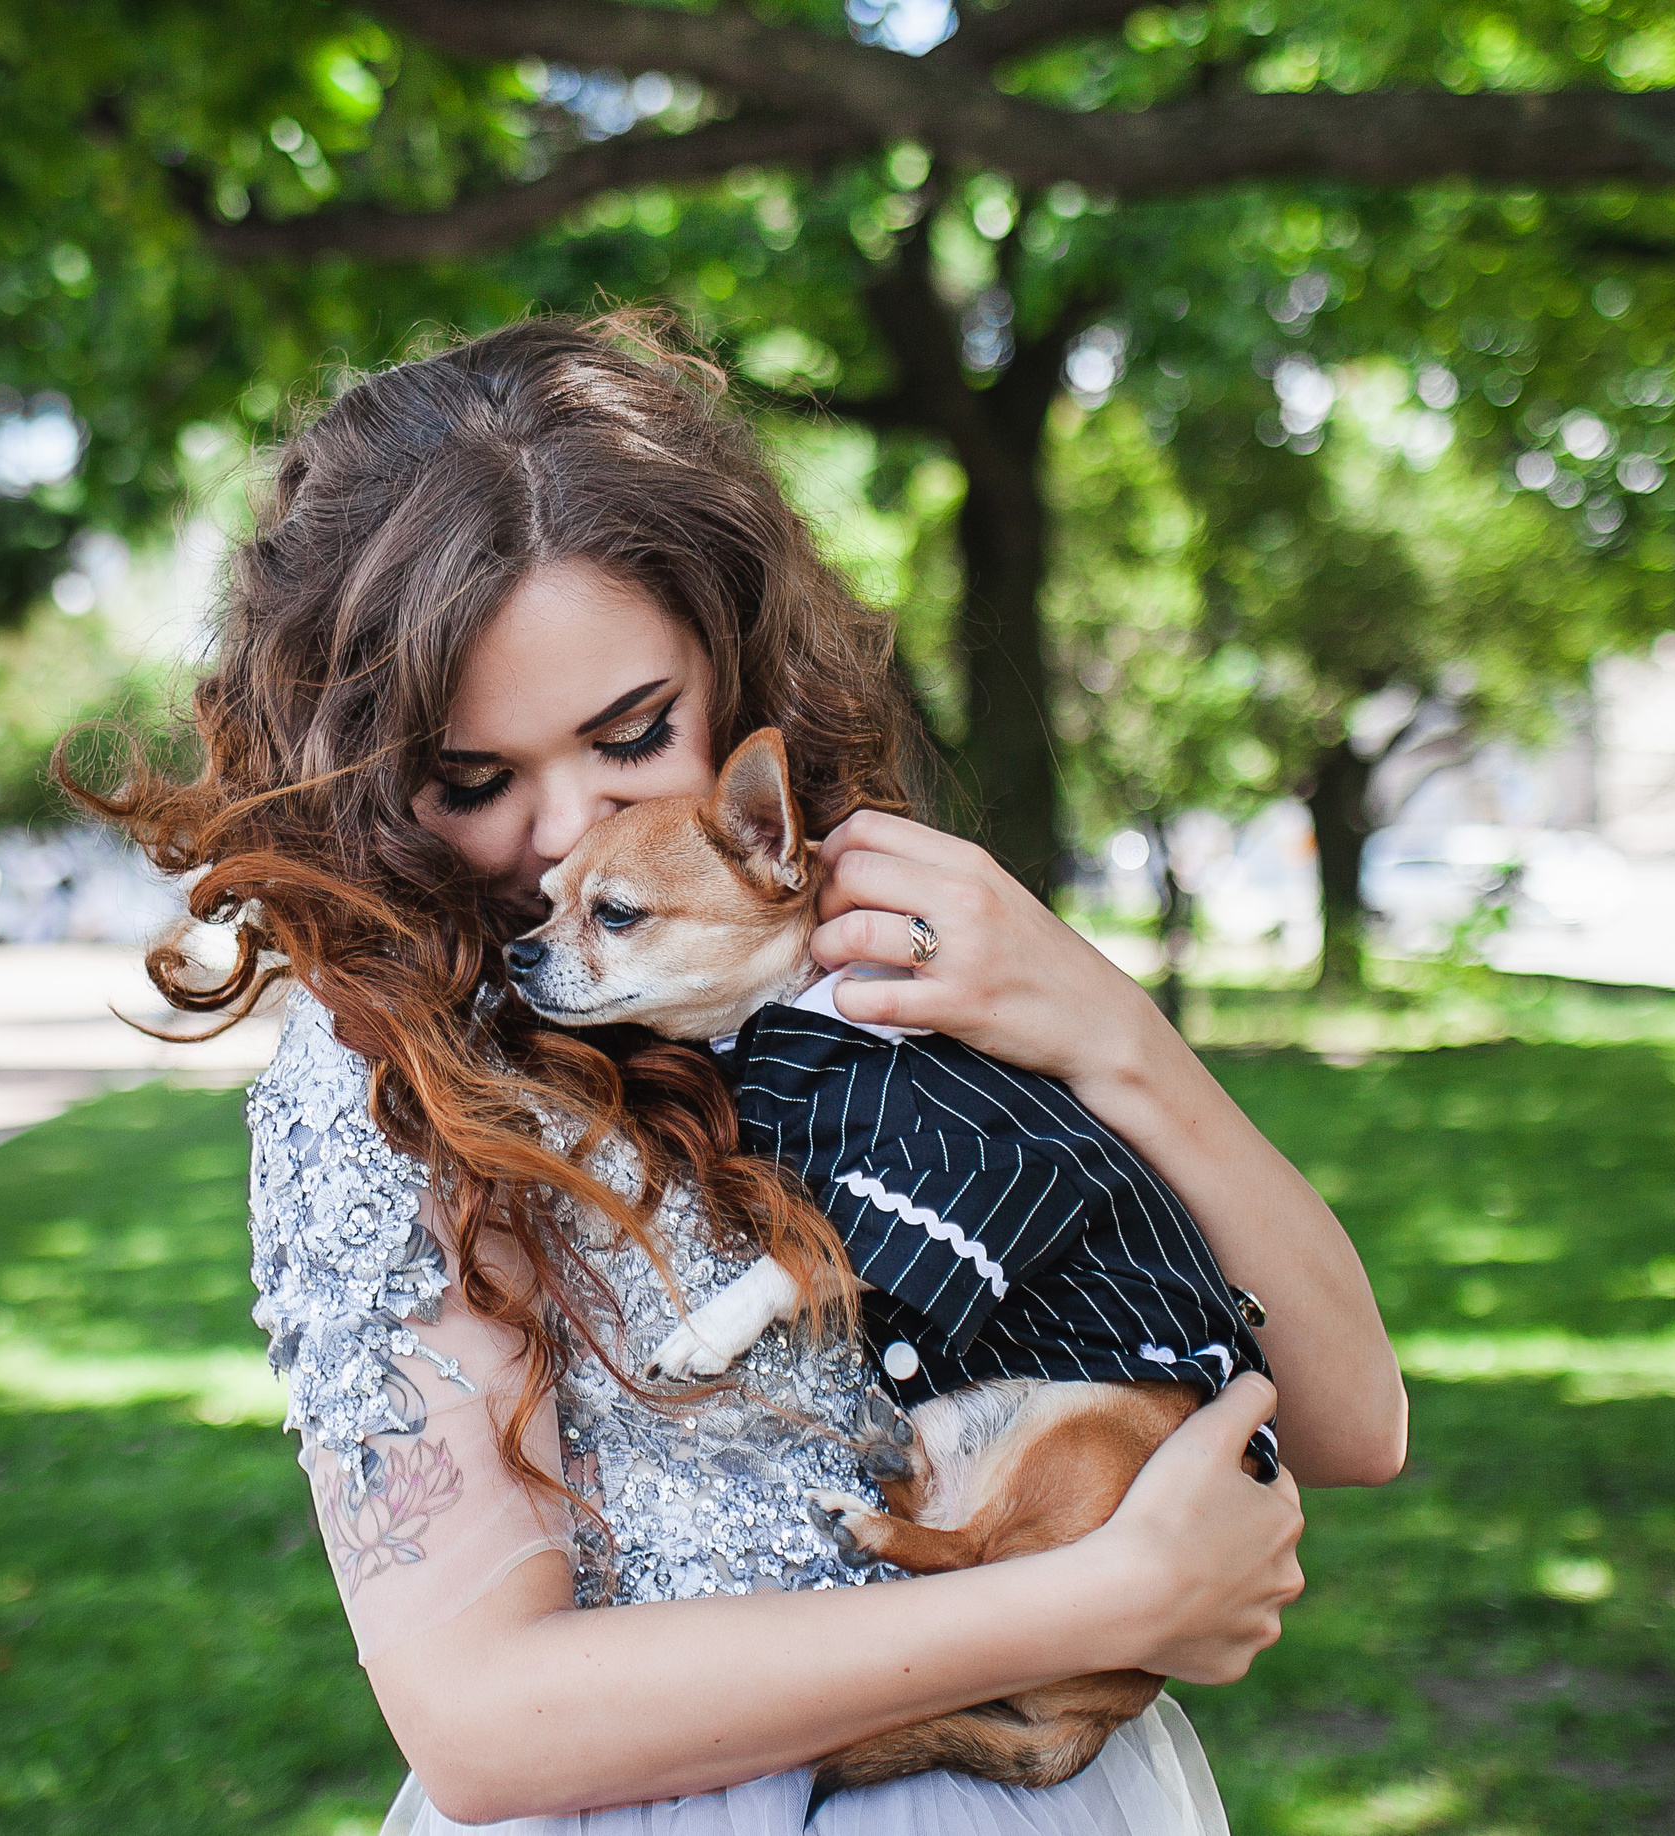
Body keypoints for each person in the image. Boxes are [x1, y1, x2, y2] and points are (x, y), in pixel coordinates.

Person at [75, 316, 1406, 1834]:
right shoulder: (390, 1075)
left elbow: (1354, 1421)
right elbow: (479, 1725)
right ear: (379, 780)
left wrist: (1110, 1029)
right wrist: (1097, 1605)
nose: (571, 829)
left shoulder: (886, 951)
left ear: (729, 662)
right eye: (475, 780)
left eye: (634, 733)